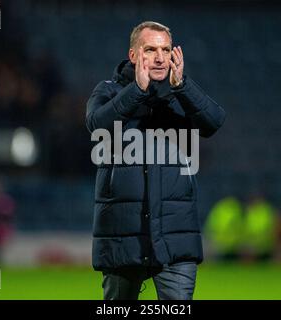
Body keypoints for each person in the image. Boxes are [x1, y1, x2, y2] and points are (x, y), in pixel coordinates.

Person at [86, 21, 226, 300]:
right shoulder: (109, 90)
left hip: (176, 235)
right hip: (123, 235)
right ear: (133, 55)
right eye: (150, 49)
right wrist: (137, 90)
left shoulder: (181, 94)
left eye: (165, 49)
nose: (160, 57)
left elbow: (214, 122)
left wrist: (183, 87)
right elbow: (97, 125)